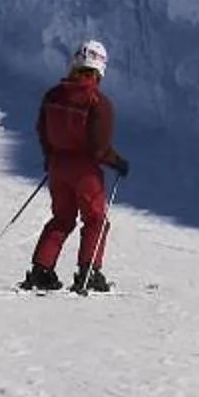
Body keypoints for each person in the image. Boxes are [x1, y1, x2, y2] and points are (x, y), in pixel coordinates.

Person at [22, 40, 127, 295]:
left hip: (58, 166)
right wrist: (117, 162)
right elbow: (98, 146)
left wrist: (50, 158)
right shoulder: (98, 103)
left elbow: (42, 131)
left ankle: (41, 270)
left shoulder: (53, 95)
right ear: (100, 69)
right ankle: (88, 271)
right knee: (95, 220)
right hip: (85, 171)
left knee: (62, 218)